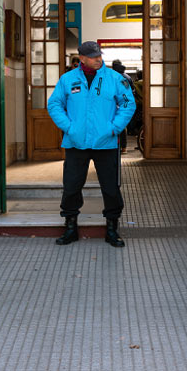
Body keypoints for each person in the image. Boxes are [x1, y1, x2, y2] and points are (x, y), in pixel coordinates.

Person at [47, 41, 135, 247]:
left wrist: (114, 128)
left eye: (99, 55)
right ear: (82, 58)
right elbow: (54, 104)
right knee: (71, 186)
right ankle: (70, 228)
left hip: (106, 143)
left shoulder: (114, 79)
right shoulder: (67, 79)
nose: (98, 59)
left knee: (111, 187)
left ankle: (112, 229)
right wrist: (69, 127)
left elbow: (128, 104)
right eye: (93, 56)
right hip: (76, 142)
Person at [110, 60, 133, 152]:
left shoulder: (112, 76)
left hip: (115, 103)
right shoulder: (127, 77)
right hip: (125, 103)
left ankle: (115, 146)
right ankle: (124, 147)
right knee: (122, 125)